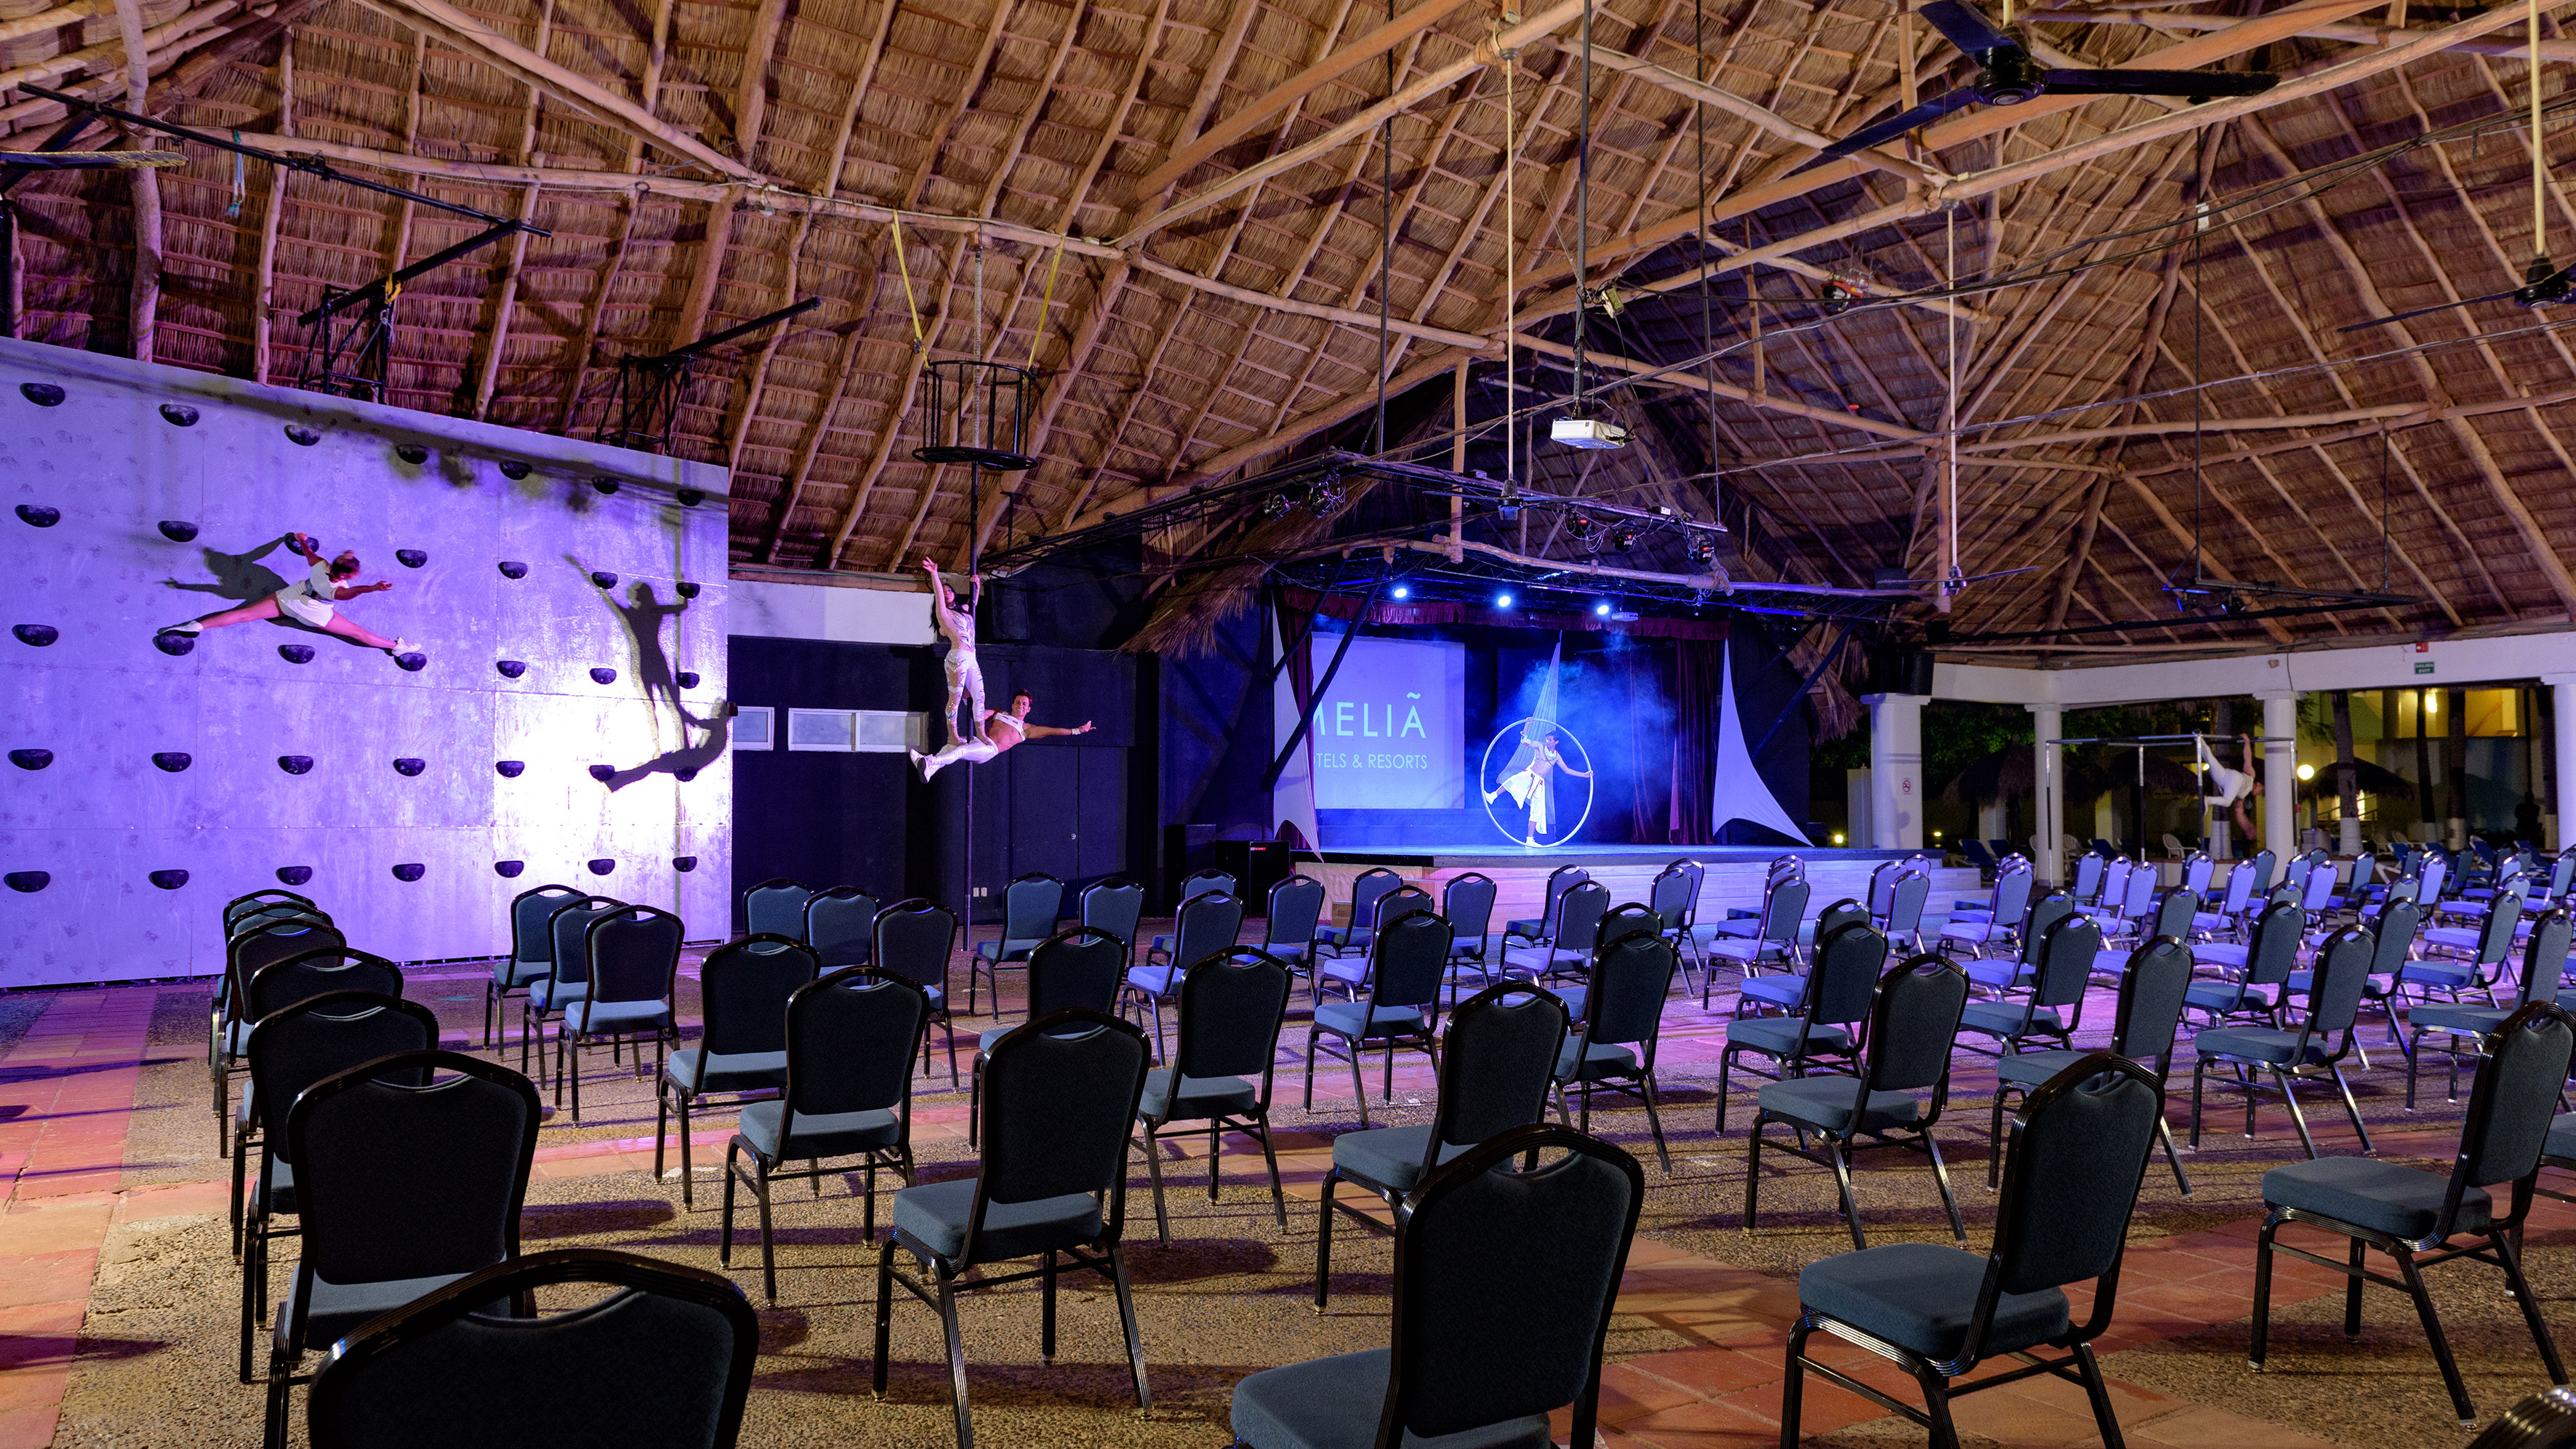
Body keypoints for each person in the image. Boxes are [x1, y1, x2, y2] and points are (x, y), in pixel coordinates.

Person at [161, 531, 413, 654]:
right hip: (314, 614)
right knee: (358, 632)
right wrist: (373, 588)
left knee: (242, 615)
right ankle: (396, 647)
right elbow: (355, 592)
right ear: (347, 576)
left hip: (289, 597)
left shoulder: (321, 566)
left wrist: (302, 539)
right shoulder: (338, 591)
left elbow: (309, 553)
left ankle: (195, 626)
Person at [910, 689, 1091, 781]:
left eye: (1024, 704)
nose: (1020, 706)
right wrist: (967, 698)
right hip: (978, 741)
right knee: (953, 744)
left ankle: (931, 762)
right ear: (1013, 704)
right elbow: (977, 715)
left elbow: (1053, 731)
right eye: (1018, 702)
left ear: (1028, 709)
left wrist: (1077, 731)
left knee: (961, 751)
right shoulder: (999, 713)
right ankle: (930, 769)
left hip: (989, 750)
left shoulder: (1026, 729)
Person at [1485, 726, 1589, 845]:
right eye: (1547, 739)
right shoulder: (1540, 746)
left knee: (1536, 811)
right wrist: (1527, 725)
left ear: (1556, 742)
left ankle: (1530, 839)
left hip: (1539, 783)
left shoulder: (1556, 756)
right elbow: (1525, 741)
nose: (1548, 742)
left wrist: (1584, 775)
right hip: (1530, 774)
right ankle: (1493, 796)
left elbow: (1567, 770)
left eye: (1550, 740)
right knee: (1513, 781)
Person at [923, 557, 984, 748]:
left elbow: (973, 604)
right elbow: (939, 595)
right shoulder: (945, 615)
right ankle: (952, 735)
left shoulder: (964, 611)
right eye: (945, 591)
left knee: (980, 695)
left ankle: (981, 733)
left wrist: (977, 585)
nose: (947, 593)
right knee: (955, 698)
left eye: (950, 590)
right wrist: (935, 574)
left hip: (972, 657)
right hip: (957, 656)